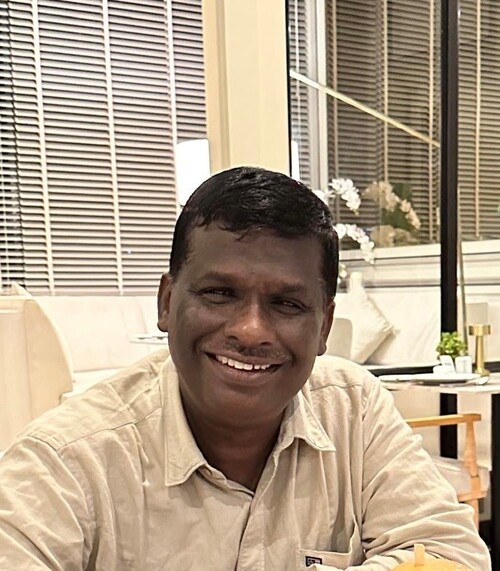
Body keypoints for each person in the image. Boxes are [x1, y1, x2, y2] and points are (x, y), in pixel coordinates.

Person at [0, 166, 490, 570]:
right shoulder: (64, 462)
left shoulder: (354, 410)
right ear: (167, 302)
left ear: (324, 327)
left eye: (287, 303)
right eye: (219, 293)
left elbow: (452, 554)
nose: (251, 331)